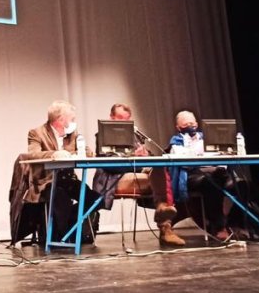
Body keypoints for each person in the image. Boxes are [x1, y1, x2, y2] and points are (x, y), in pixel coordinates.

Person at [91, 103, 185, 246]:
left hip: (138, 174)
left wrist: (146, 155)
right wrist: (136, 156)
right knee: (163, 182)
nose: (124, 123)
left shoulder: (135, 136)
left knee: (160, 166)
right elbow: (110, 166)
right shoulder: (103, 135)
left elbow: (147, 160)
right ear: (111, 117)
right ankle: (165, 226)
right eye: (120, 118)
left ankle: (164, 213)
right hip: (114, 179)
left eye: (127, 119)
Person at [25, 100, 100, 245]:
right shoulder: (37, 133)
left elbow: (87, 152)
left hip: (68, 180)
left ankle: (71, 228)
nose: (74, 122)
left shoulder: (72, 133)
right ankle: (62, 237)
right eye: (72, 119)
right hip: (47, 182)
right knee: (61, 200)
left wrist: (84, 150)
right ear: (60, 119)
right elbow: (32, 155)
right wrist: (55, 154)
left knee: (96, 199)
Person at [164, 110, 232, 241]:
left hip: (216, 172)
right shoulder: (176, 142)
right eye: (186, 124)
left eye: (192, 122)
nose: (190, 126)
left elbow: (220, 155)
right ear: (178, 127)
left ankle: (237, 223)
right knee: (210, 183)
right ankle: (218, 227)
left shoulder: (207, 138)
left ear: (197, 123)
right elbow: (185, 163)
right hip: (192, 176)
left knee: (242, 185)